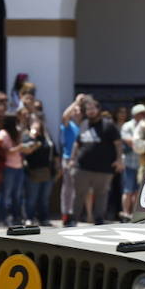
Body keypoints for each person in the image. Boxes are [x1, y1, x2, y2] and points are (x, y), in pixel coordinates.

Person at [72, 99, 123, 225]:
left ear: (98, 110)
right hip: (83, 167)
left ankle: (99, 220)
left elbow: (118, 144)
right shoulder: (83, 124)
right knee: (79, 194)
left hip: (104, 169)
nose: (90, 111)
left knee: (101, 195)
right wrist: (72, 159)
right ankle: (73, 220)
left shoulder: (109, 125)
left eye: (92, 109)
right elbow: (77, 144)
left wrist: (119, 160)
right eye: (88, 109)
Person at [0, 115, 28, 226]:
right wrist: (20, 147)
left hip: (18, 167)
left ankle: (16, 218)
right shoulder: (3, 134)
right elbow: (5, 151)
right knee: (5, 194)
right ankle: (2, 218)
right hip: (8, 167)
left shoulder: (15, 133)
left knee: (17, 195)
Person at [22, 113, 55, 226]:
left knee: (44, 198)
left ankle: (44, 218)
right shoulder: (26, 136)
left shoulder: (47, 135)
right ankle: (29, 217)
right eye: (32, 121)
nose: (36, 123)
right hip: (32, 171)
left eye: (37, 121)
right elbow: (26, 150)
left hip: (46, 172)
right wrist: (32, 135)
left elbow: (54, 151)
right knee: (31, 197)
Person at [59, 97, 84, 226]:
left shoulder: (85, 125)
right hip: (68, 159)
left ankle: (75, 214)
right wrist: (76, 102)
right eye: (74, 110)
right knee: (68, 188)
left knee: (78, 189)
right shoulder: (69, 125)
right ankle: (66, 214)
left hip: (81, 160)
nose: (76, 112)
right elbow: (64, 116)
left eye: (78, 110)